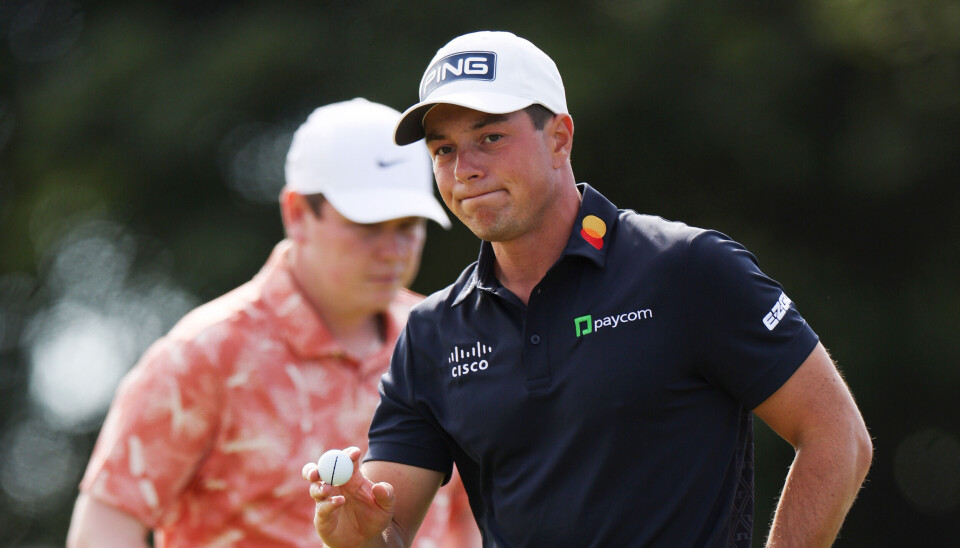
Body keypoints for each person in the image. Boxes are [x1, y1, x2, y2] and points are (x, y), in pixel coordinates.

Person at [302, 32, 874, 548]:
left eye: (491, 137)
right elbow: (389, 528)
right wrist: (355, 537)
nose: (464, 169)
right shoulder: (432, 333)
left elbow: (838, 437)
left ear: (559, 138)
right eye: (444, 149)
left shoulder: (687, 268)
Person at [66, 98, 482, 548]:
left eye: (408, 225)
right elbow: (105, 527)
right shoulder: (203, 355)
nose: (392, 249)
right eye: (368, 225)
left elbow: (470, 521)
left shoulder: (447, 339)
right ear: (298, 214)